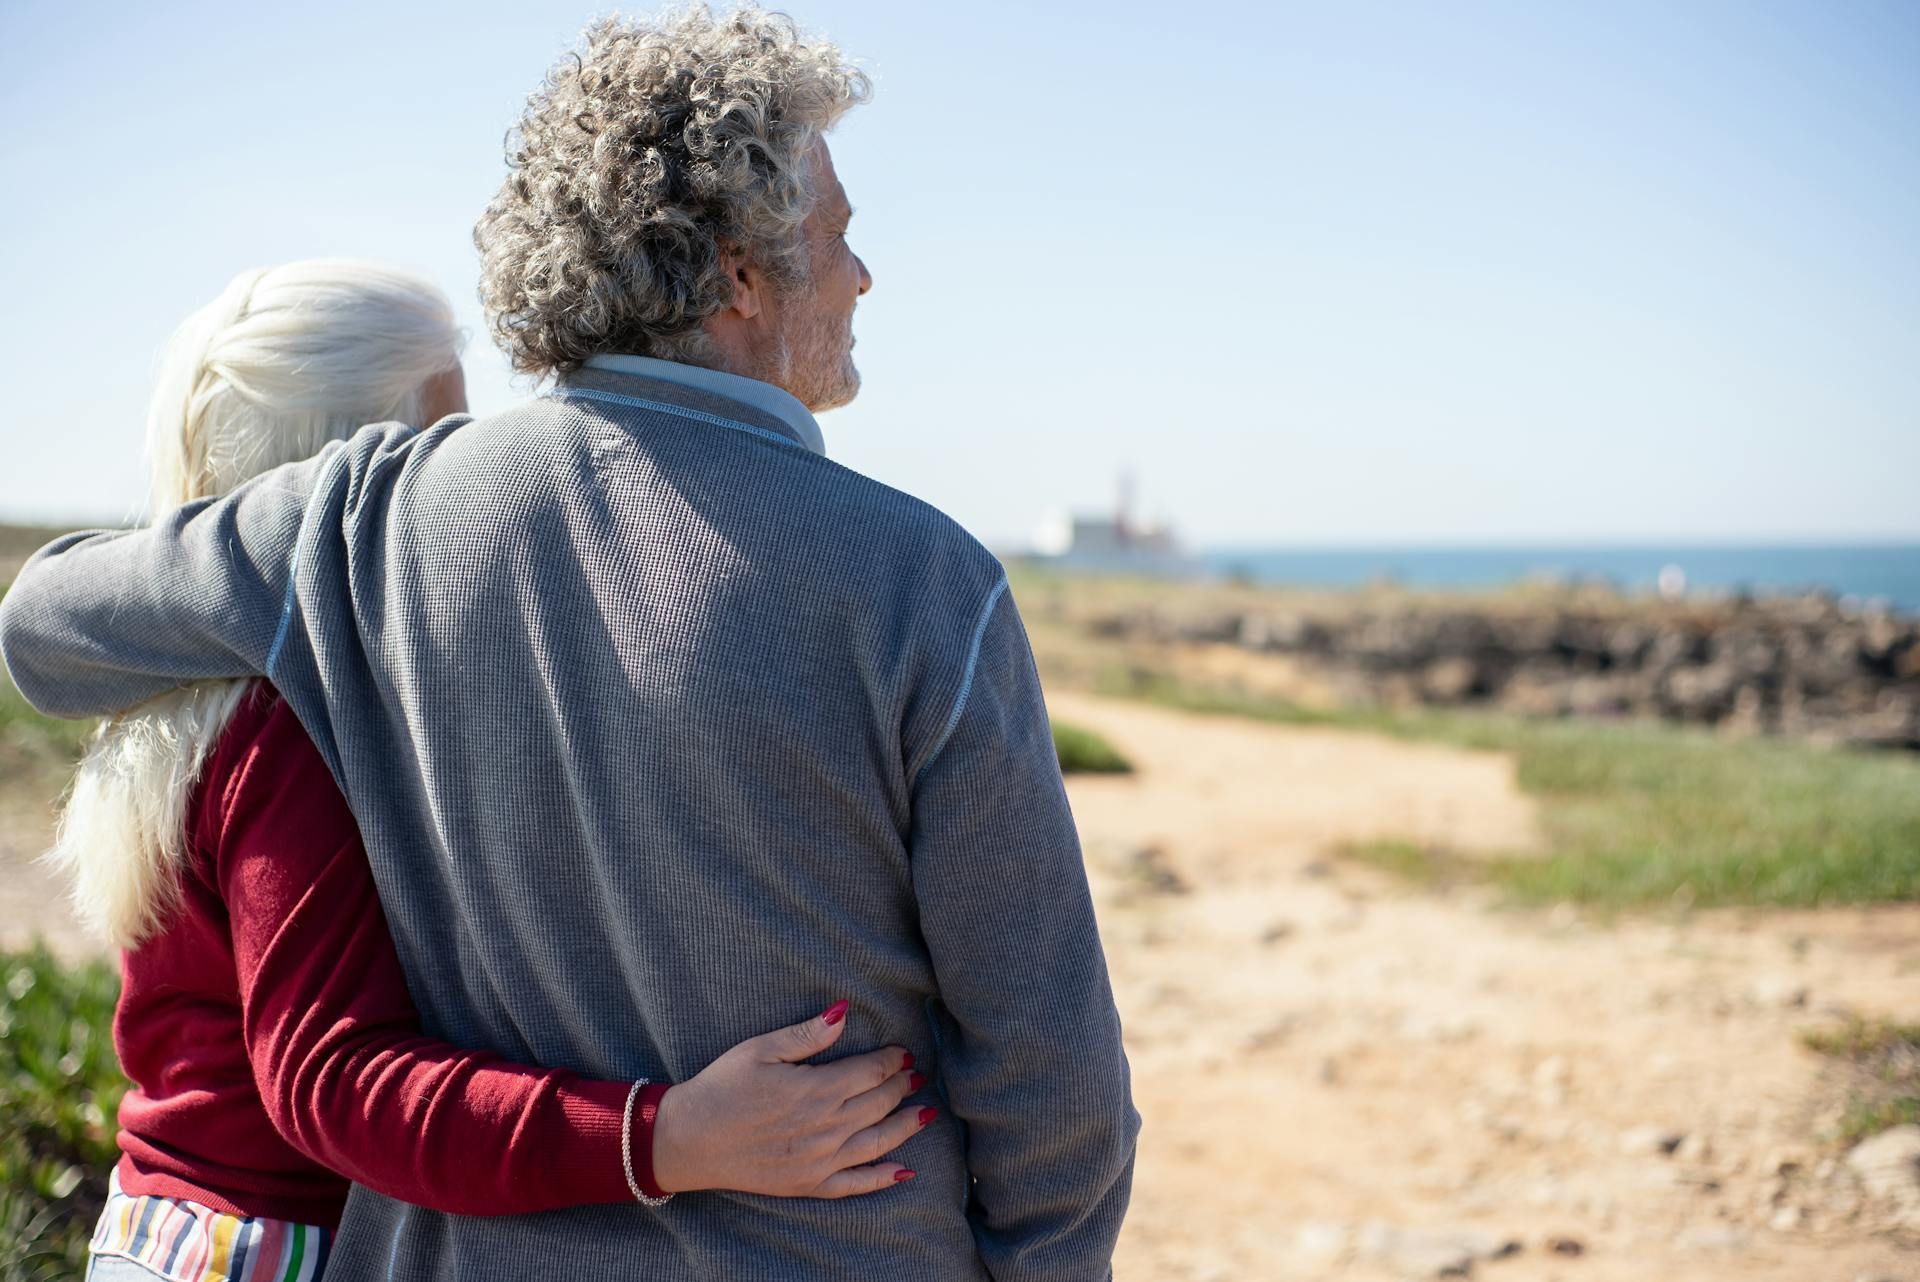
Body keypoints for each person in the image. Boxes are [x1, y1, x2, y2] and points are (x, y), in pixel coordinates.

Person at [0, 8, 1139, 1280]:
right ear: (740, 270)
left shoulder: (364, 520)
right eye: (840, 236)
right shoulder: (924, 578)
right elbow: (1049, 1073)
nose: (863, 276)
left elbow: (44, 628)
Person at [52, 261, 929, 1282]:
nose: (466, 483)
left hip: (166, 1233)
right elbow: (329, 1079)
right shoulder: (283, 724)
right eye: (440, 443)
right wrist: (671, 1134)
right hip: (265, 1252)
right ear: (337, 471)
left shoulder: (186, 685)